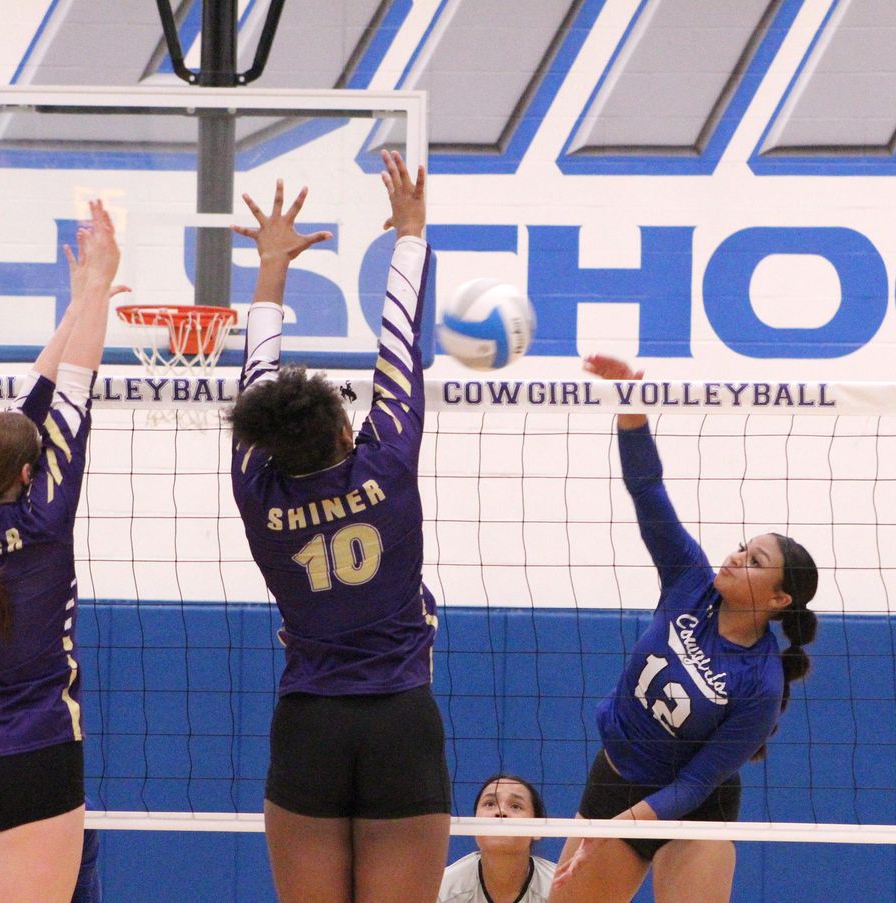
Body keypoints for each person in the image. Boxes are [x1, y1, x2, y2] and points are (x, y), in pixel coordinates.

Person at [228, 149, 451, 903]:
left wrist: (270, 266)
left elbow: (255, 379)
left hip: (309, 726)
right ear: (346, 431)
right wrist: (410, 231)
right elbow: (399, 347)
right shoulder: (385, 464)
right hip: (401, 723)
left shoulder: (257, 488)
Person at [549, 354, 819, 903]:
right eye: (743, 546)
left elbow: (697, 782)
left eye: (754, 559)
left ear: (778, 598)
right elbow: (648, 491)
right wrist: (631, 408)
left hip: (697, 807)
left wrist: (623, 825)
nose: (736, 556)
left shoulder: (760, 683)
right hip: (619, 777)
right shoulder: (689, 582)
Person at [0, 200, 125, 903]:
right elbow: (71, 393)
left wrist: (78, 304)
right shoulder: (43, 520)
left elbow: (32, 404)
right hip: (34, 752)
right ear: (30, 472)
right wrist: (95, 292)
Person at [437, 774, 555, 903]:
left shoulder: (559, 890)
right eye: (490, 804)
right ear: (473, 822)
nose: (500, 811)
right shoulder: (443, 891)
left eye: (516, 806)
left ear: (538, 829)